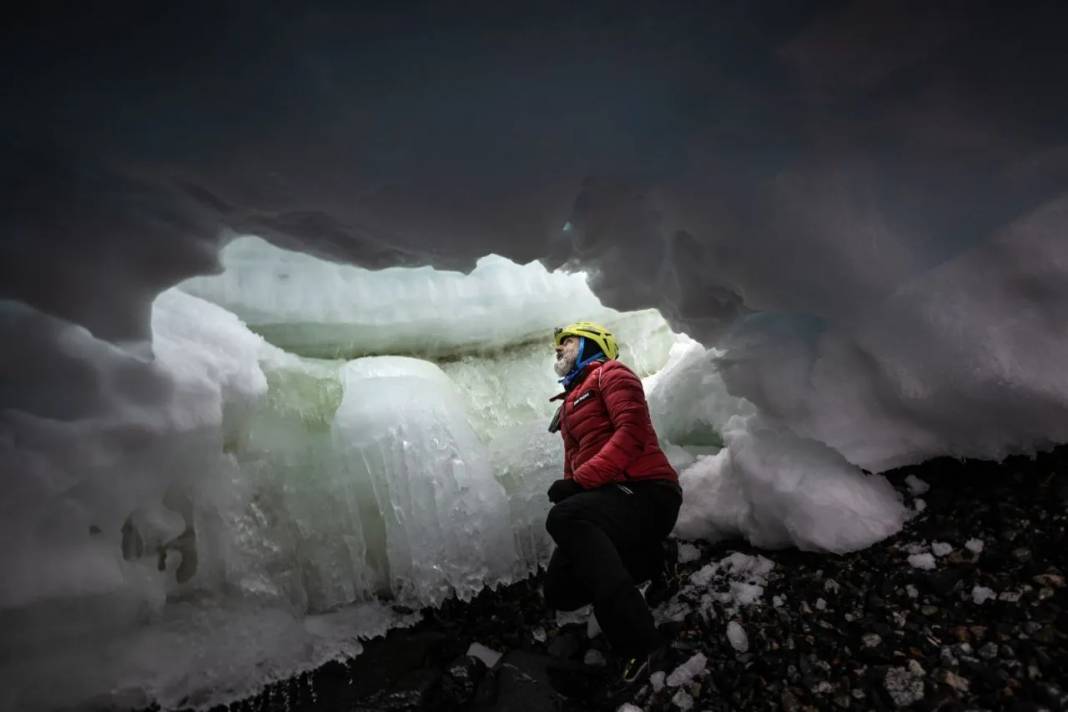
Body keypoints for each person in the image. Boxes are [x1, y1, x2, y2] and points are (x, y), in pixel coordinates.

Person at [543, 321, 683, 685]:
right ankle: (655, 560)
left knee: (565, 518)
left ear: (592, 344)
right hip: (612, 500)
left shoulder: (611, 373)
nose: (558, 349)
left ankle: (642, 643)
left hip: (647, 490)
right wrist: (577, 486)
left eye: (568, 341)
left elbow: (632, 431)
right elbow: (576, 461)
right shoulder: (572, 398)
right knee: (559, 590)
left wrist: (578, 485)